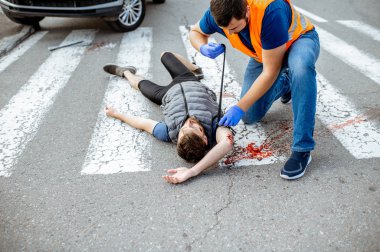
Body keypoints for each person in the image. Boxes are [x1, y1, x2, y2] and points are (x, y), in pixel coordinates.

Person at [189, 0, 320, 180]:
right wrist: (202, 47)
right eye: (225, 29)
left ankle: (302, 149)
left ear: (247, 11)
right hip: (265, 53)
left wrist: (238, 106)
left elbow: (270, 72)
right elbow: (196, 32)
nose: (230, 32)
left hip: (298, 41)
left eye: (234, 28)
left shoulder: (270, 11)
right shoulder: (219, 12)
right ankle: (287, 83)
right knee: (250, 115)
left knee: (301, 68)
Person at [103, 52, 234, 184]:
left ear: (177, 139)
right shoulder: (215, 127)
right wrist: (193, 171)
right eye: (195, 128)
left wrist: (116, 114)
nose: (190, 122)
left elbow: (142, 123)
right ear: (205, 138)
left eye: (184, 130)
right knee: (165, 54)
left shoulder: (168, 133)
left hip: (166, 95)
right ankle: (195, 69)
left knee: (138, 85)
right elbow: (227, 143)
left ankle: (125, 71)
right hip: (189, 81)